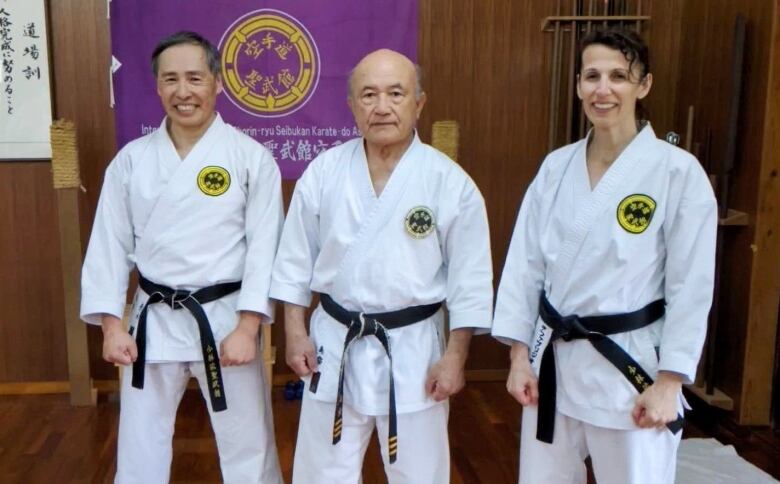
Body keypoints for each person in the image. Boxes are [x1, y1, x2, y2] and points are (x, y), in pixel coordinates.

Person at [492, 27, 717, 484]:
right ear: (578, 85)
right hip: (552, 362)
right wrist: (519, 356)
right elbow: (524, 266)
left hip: (629, 370)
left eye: (619, 76)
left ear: (643, 85)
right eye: (592, 75)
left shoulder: (677, 172)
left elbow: (691, 285)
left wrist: (670, 382)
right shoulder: (556, 167)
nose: (603, 89)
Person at [270, 49, 493, 483]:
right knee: (322, 473)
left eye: (396, 93)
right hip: (333, 345)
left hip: (414, 352)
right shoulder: (324, 172)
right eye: (368, 95)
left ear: (419, 103)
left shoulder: (450, 183)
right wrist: (295, 332)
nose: (382, 106)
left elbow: (471, 281)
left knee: (419, 473)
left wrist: (455, 357)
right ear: (352, 106)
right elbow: (294, 260)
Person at [80, 31, 283, 484]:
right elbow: (107, 245)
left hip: (226, 318)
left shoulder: (251, 158)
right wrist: (112, 325)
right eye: (170, 79)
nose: (183, 91)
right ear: (157, 87)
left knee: (247, 438)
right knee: (139, 441)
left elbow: (266, 248)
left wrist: (249, 326)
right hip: (152, 321)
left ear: (217, 83)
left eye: (195, 78)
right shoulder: (131, 161)